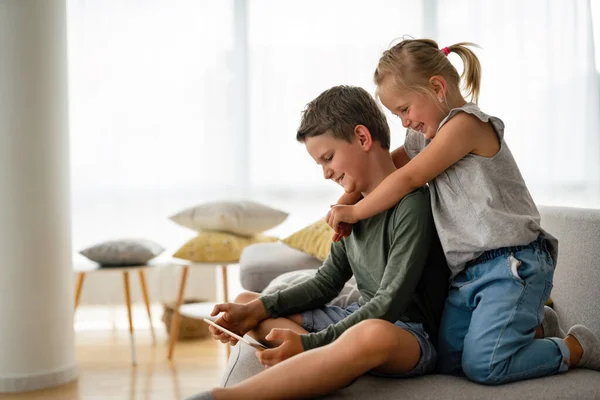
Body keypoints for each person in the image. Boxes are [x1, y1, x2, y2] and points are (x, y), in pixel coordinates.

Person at [325, 38, 600, 384]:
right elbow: (386, 169)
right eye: (397, 115)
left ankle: (574, 346)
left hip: (512, 264)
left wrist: (357, 212)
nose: (404, 122)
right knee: (446, 360)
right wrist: (347, 197)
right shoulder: (423, 139)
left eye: (405, 109)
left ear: (437, 88)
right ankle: (537, 325)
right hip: (467, 275)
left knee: (483, 366)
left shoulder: (466, 125)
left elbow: (408, 178)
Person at [186, 85, 449, 400]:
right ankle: (327, 365)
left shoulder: (411, 204)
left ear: (363, 138)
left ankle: (225, 397)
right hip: (362, 316)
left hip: (408, 335)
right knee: (246, 302)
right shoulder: (348, 211)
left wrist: (310, 342)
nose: (326, 173)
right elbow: (326, 282)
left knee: (371, 333)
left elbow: (389, 303)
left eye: (329, 157)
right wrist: (256, 309)